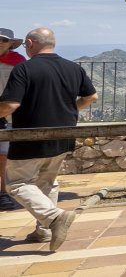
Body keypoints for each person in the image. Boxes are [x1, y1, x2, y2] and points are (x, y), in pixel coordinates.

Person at [0, 28, 97, 250]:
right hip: (63, 135)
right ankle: (43, 231)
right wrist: (69, 109)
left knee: (17, 184)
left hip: (30, 136)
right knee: (47, 183)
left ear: (31, 43)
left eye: (26, 45)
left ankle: (54, 217)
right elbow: (91, 96)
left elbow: (10, 105)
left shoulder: (24, 68)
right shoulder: (73, 68)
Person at [0, 28, 26, 211]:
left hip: (8, 115)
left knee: (3, 157)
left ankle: (3, 193)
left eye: (4, 40)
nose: (0, 42)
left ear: (10, 43)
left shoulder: (18, 64)